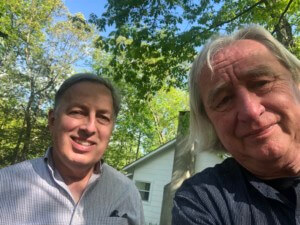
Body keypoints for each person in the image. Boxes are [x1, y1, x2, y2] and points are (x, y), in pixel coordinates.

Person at [172, 25, 300, 225]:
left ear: (296, 83)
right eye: (224, 100)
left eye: (262, 82)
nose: (250, 111)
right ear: (209, 123)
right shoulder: (203, 201)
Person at [0, 73, 144, 225]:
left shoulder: (126, 193)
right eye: (77, 112)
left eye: (103, 117)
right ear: (52, 120)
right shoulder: (5, 186)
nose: (89, 128)